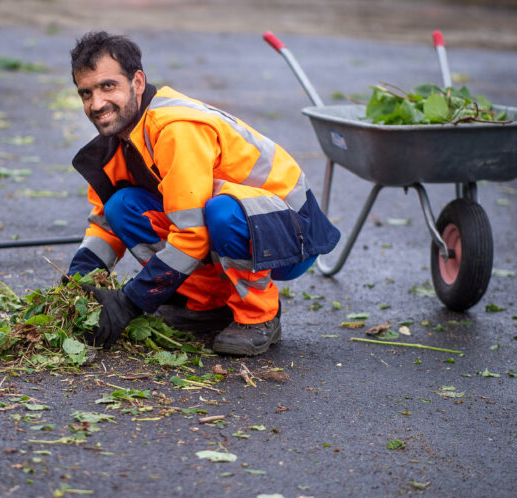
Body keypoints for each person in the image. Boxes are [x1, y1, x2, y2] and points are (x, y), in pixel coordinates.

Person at [65, 31, 340, 356]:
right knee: (122, 207)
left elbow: (192, 235)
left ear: (137, 82)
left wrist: (128, 302)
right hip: (242, 227)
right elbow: (104, 225)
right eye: (86, 93)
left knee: (221, 213)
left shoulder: (175, 129)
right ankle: (207, 306)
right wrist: (74, 285)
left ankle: (259, 315)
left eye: (108, 86)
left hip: (290, 237)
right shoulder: (117, 142)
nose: (97, 104)